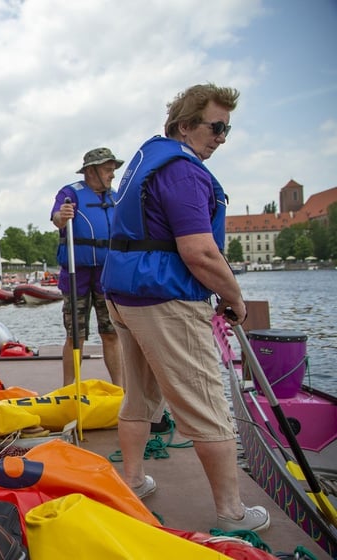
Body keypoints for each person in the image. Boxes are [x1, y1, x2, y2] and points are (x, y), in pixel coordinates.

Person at [101, 83, 270, 532]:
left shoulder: (149, 161)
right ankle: (233, 513)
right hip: (164, 300)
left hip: (125, 297)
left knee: (139, 395)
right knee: (206, 404)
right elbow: (200, 252)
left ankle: (133, 480)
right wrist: (234, 298)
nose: (220, 137)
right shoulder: (183, 172)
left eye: (226, 130)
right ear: (184, 126)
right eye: (215, 127)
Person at [51, 147, 124, 388]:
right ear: (91, 171)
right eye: (107, 169)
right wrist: (63, 216)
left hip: (108, 275)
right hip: (77, 275)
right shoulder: (70, 194)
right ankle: (69, 388)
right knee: (76, 335)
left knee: (111, 333)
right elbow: (57, 219)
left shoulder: (116, 197)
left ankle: (120, 390)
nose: (112, 174)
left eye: (113, 170)